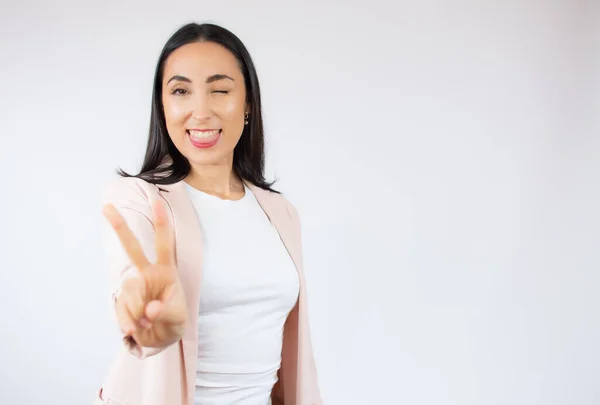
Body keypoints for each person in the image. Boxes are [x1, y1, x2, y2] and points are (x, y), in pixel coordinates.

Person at [95, 22, 323, 405]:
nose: (201, 111)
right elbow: (130, 279)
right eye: (181, 91)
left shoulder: (281, 212)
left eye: (220, 90)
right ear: (163, 106)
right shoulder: (138, 199)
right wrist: (142, 316)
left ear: (248, 103)